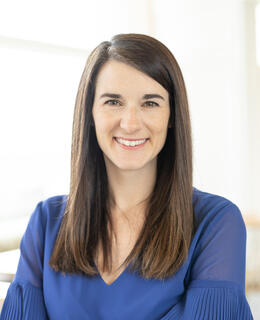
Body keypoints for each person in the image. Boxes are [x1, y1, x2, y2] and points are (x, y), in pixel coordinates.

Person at [0, 33, 253, 320]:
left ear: (171, 117)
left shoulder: (216, 223)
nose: (130, 122)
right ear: (90, 113)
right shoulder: (47, 222)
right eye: (113, 102)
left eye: (150, 103)